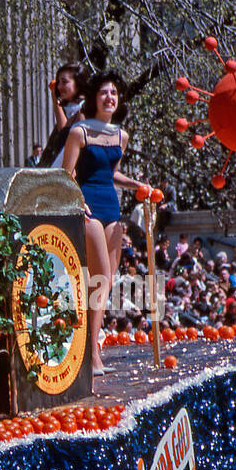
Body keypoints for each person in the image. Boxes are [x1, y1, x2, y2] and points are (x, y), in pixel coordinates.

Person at [62, 70, 147, 376]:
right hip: (87, 207)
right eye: (103, 93)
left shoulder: (120, 135)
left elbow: (113, 174)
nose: (109, 97)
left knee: (106, 282)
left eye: (113, 93)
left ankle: (91, 347)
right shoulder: (80, 132)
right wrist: (77, 200)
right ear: (94, 98)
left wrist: (139, 185)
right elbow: (66, 173)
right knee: (97, 276)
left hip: (113, 208)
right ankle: (91, 353)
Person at [43, 62, 89, 166]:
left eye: (64, 82)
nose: (59, 87)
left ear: (78, 83)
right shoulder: (72, 110)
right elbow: (63, 129)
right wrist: (55, 100)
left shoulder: (85, 111)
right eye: (58, 82)